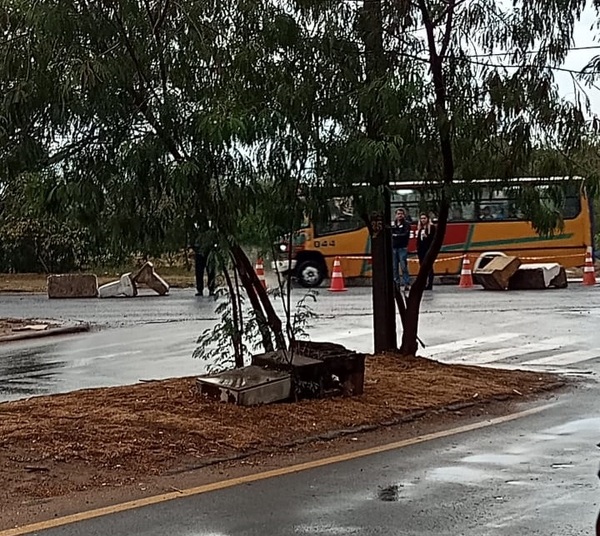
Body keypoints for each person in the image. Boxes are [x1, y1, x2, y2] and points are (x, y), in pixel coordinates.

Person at [193, 223, 217, 297]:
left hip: (209, 253)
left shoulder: (211, 231)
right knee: (199, 272)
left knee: (210, 272)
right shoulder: (197, 231)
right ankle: (201, 289)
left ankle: (211, 289)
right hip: (200, 253)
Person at [391, 208, 412, 291]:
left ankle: (406, 283)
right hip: (394, 247)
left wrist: (396, 235)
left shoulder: (406, 224)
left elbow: (405, 234)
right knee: (394, 267)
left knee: (403, 266)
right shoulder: (393, 224)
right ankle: (396, 284)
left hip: (402, 247)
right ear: (396, 215)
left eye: (401, 214)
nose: (400, 215)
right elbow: (391, 234)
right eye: (398, 214)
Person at [416, 213, 436, 290]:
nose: (423, 220)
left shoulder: (431, 227)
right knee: (422, 268)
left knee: (429, 267)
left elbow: (433, 239)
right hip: (421, 250)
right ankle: (424, 283)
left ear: (428, 219)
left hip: (428, 250)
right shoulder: (421, 228)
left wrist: (426, 237)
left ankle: (430, 284)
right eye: (421, 218)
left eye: (424, 218)